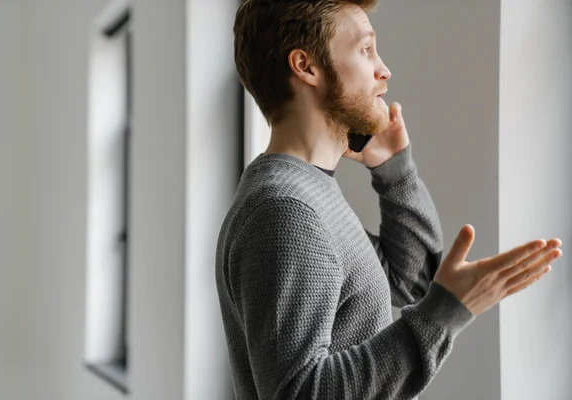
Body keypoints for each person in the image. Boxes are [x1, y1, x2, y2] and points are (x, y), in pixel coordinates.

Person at [215, 1, 563, 399]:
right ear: (306, 66)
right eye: (365, 50)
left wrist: (395, 172)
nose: (384, 70)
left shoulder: (309, 191)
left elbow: (409, 281)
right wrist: (442, 315)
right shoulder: (284, 210)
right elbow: (300, 392)